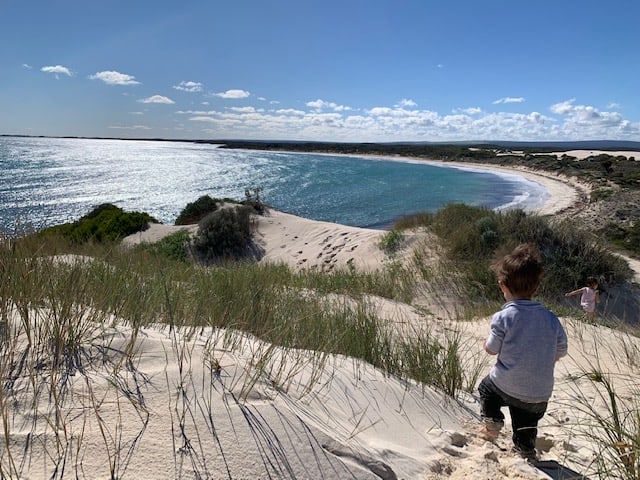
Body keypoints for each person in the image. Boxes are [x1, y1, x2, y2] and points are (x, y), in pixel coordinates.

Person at [478, 243, 568, 461]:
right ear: (536, 288)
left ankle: (492, 424)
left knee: (486, 390)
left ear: (502, 286)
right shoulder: (551, 319)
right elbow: (562, 350)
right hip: (539, 394)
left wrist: (485, 343)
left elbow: (491, 350)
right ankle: (525, 451)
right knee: (525, 427)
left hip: (504, 384)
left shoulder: (504, 317)